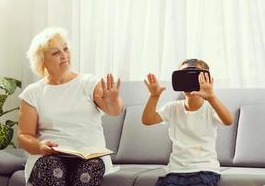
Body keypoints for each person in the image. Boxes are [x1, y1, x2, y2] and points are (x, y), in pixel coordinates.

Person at [17, 27, 124, 186]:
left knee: (86, 173)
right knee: (51, 169)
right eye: (56, 53)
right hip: (49, 157)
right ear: (42, 61)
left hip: (90, 157)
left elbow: (114, 111)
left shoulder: (88, 83)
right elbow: (24, 136)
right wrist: (39, 146)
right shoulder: (33, 93)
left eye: (65, 49)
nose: (64, 55)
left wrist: (113, 100)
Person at [142, 59, 233, 186]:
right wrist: (154, 96)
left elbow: (228, 121)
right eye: (184, 76)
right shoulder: (172, 108)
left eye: (195, 76)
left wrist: (211, 97)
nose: (190, 82)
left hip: (205, 170)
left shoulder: (210, 108)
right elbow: (147, 120)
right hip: (175, 171)